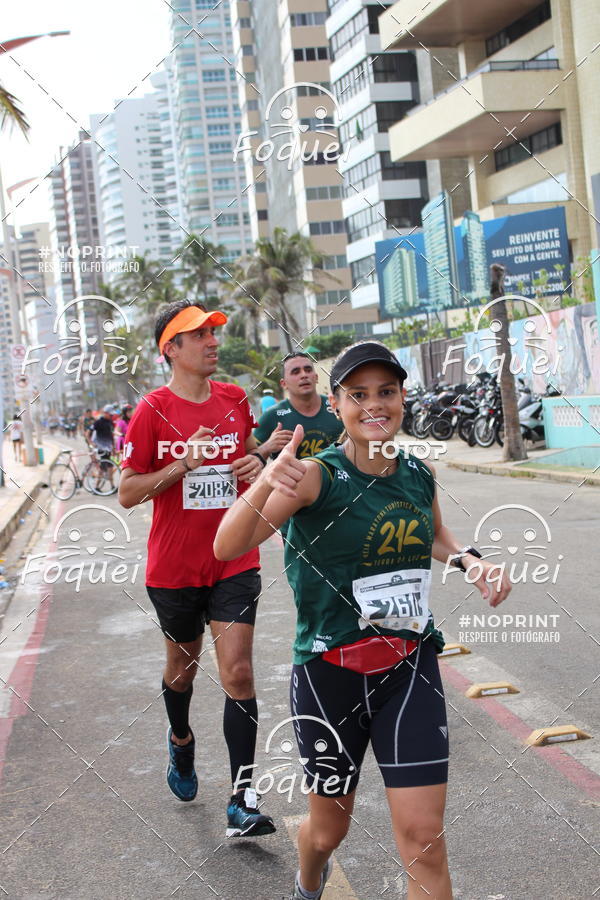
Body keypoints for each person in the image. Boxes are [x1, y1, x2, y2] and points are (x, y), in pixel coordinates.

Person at [214, 341, 511, 900]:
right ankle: (308, 880)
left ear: (402, 399)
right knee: (329, 830)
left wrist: (469, 560)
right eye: (359, 395)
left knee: (423, 837)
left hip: (409, 668)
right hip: (330, 675)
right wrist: (265, 480)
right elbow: (227, 544)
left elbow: (435, 533)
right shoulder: (311, 479)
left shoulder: (416, 474)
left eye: (387, 392)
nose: (375, 405)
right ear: (336, 404)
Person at [118, 299, 276, 839]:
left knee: (238, 672)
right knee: (182, 671)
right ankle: (181, 742)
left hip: (234, 559)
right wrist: (182, 463)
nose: (212, 341)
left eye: (214, 331)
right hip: (174, 570)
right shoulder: (151, 411)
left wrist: (258, 465)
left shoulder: (234, 401)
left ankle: (242, 796)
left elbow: (254, 459)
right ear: (172, 349)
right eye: (199, 334)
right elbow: (127, 492)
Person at [253, 353, 343, 462]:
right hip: (292, 479)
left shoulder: (339, 407)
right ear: (284, 384)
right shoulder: (272, 416)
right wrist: (267, 447)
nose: (304, 375)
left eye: (308, 370)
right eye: (296, 372)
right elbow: (249, 458)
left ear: (316, 377)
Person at [87, 406, 115, 489]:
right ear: (105, 413)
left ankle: (112, 486)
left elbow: (111, 435)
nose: (111, 416)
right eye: (110, 414)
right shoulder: (98, 422)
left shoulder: (110, 422)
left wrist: (113, 447)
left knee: (110, 467)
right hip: (101, 448)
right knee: (103, 468)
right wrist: (91, 443)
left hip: (108, 448)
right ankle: (96, 487)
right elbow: (88, 433)